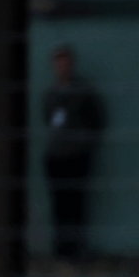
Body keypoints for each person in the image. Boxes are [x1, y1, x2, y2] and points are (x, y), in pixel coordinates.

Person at [42, 44, 105, 260]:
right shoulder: (51, 93)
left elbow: (96, 121)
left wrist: (84, 145)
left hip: (77, 156)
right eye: (58, 63)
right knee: (59, 204)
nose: (62, 67)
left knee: (77, 203)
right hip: (56, 156)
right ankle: (61, 248)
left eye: (65, 63)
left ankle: (78, 248)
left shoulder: (83, 91)